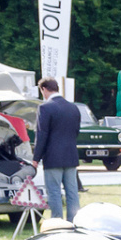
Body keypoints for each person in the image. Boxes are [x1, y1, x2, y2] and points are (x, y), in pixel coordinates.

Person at [31, 78, 82, 220]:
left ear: (44, 89)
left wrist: (36, 158)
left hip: (53, 157)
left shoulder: (45, 108)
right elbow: (76, 131)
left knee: (54, 192)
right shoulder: (73, 107)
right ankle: (74, 222)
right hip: (71, 156)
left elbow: (42, 135)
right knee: (72, 192)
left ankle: (57, 221)